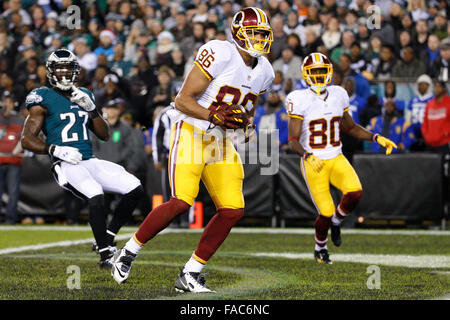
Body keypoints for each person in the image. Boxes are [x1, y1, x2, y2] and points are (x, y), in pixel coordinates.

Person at [111, 7, 275, 292]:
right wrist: (213, 115)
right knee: (181, 202)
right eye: (255, 33)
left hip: (221, 141)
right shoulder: (221, 52)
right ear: (238, 32)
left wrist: (247, 126)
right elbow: (182, 100)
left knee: (233, 210)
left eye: (263, 34)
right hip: (192, 132)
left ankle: (190, 273)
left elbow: (249, 108)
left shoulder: (266, 71)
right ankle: (127, 252)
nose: (260, 39)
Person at [21, 49, 144, 268]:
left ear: (75, 70)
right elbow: (27, 140)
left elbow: (104, 135)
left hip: (89, 159)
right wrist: (55, 150)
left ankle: (107, 237)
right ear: (51, 71)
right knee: (95, 194)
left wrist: (93, 109)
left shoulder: (85, 93)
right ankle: (106, 256)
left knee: (135, 188)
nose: (63, 72)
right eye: (59, 68)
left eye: (67, 67)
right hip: (65, 162)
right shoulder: (42, 96)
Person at [285, 52, 397, 264]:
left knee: (355, 193)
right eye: (314, 72)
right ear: (306, 75)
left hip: (336, 156)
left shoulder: (339, 94)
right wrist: (307, 155)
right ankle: (320, 248)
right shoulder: (298, 99)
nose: (318, 76)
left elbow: (350, 127)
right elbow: (293, 140)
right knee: (325, 211)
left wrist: (376, 137)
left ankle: (336, 222)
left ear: (329, 73)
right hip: (314, 162)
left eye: (321, 71)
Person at [0, 95, 24, 224]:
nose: (6, 105)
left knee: (13, 192)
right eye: (5, 102)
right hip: (0, 159)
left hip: (14, 160)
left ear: (14, 104)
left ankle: (11, 219)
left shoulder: (20, 120)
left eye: (9, 102)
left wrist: (17, 150)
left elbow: (24, 139)